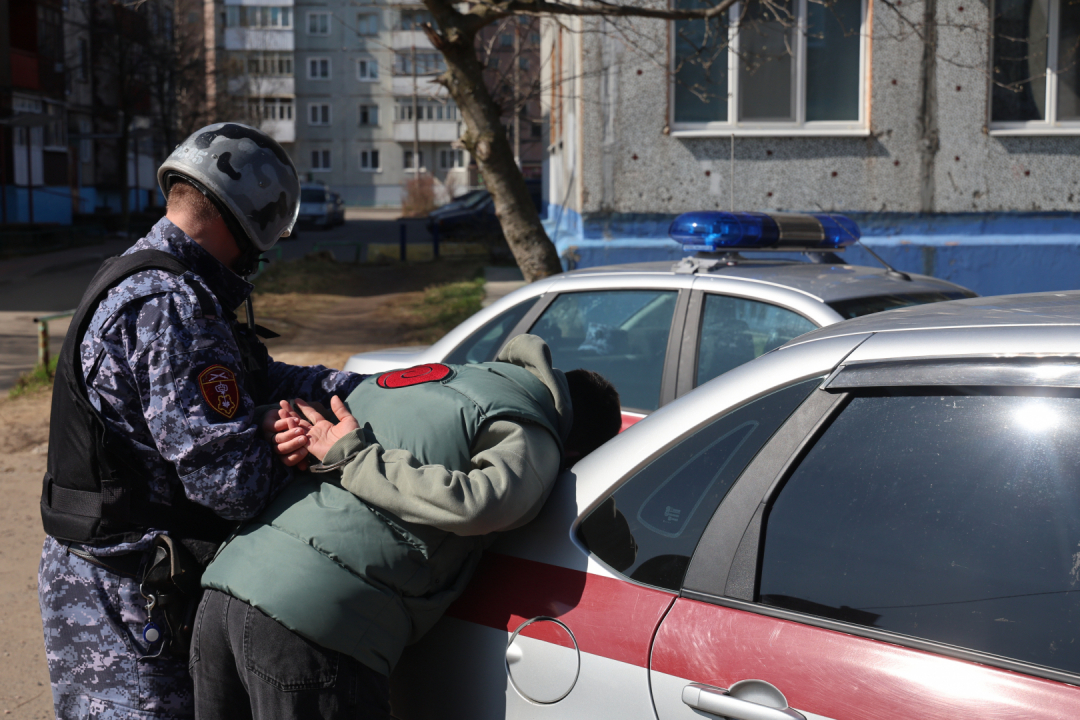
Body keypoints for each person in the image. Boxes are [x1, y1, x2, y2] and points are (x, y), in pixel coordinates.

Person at [37, 122, 362, 720]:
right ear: (247, 220)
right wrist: (293, 442)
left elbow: (250, 379)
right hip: (128, 605)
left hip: (105, 587)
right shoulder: (171, 306)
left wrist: (359, 390)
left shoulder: (145, 273)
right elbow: (231, 485)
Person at [190, 335, 622, 720]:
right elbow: (481, 504)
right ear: (575, 450)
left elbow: (319, 422)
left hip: (222, 594)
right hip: (315, 624)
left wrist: (278, 421)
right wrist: (355, 457)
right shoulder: (532, 427)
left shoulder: (425, 376)